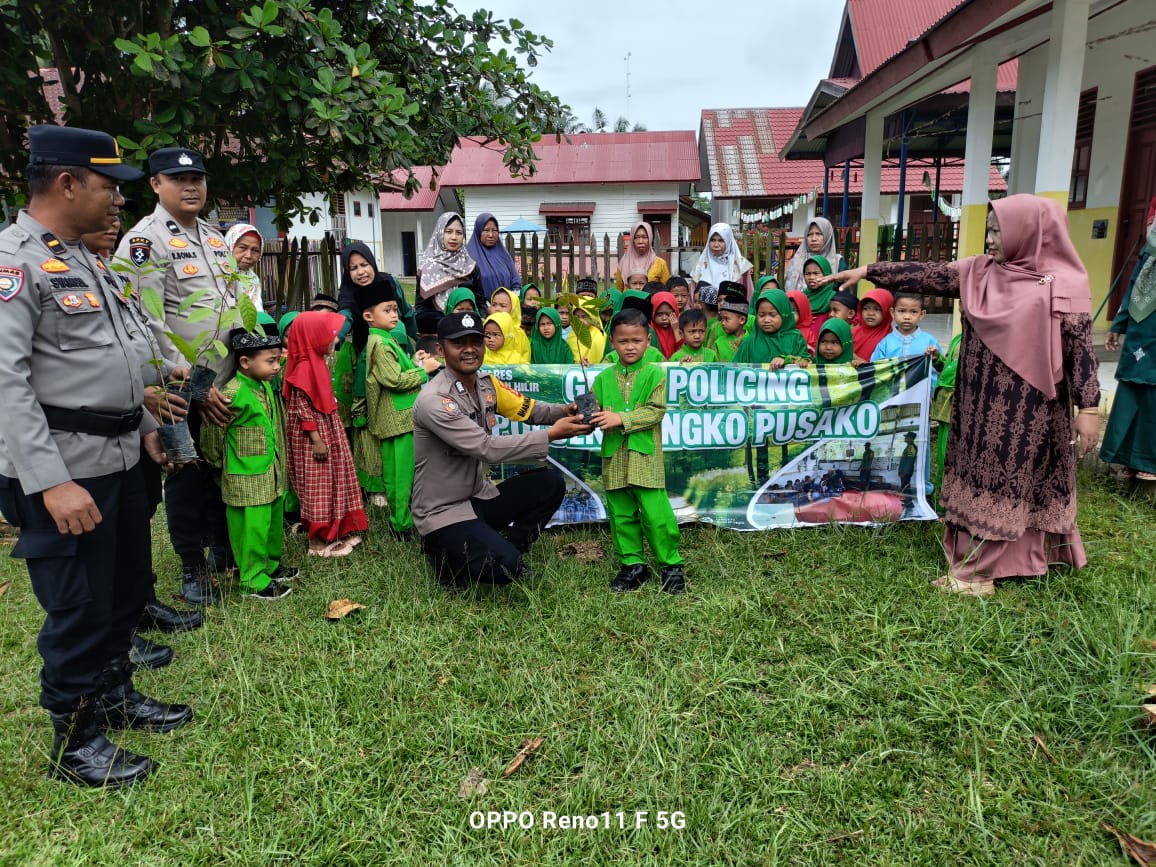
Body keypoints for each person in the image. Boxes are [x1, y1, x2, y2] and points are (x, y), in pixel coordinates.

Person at [0, 126, 193, 787]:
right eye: (109, 186)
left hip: (113, 458)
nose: (118, 200)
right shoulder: (15, 261)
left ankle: (115, 695)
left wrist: (142, 423)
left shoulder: (81, 257)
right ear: (67, 183)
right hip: (65, 469)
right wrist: (50, 483)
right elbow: (7, 382)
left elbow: (106, 363)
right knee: (79, 605)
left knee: (120, 593)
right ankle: (75, 742)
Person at [826, 194, 1101, 596]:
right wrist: (869, 271)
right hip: (977, 404)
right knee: (977, 476)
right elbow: (926, 273)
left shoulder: (1063, 285)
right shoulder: (979, 273)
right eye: (989, 230)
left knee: (1010, 482)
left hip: (1030, 411)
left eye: (998, 231)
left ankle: (981, 574)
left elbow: (1080, 350)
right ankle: (985, 557)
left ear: (1029, 233)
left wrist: (1089, 405)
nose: (989, 239)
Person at [117, 146, 241, 606]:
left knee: (222, 467)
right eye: (177, 178)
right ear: (155, 184)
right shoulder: (143, 242)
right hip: (178, 389)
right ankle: (192, 566)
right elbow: (146, 325)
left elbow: (232, 307)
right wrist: (197, 387)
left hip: (227, 379)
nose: (191, 187)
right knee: (186, 473)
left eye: (198, 179)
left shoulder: (213, 236)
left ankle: (224, 551)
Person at [83, 218, 201, 664]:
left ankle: (140, 604)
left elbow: (137, 343)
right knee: (103, 544)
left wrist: (149, 410)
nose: (114, 216)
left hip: (138, 420)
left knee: (138, 517)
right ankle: (118, 635)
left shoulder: (109, 275)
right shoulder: (43, 270)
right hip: (92, 435)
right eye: (107, 200)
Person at [411, 312, 591, 589]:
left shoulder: (486, 384)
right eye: (459, 343)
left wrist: (563, 412)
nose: (470, 349)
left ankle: (511, 548)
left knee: (550, 484)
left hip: (476, 497)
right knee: (505, 569)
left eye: (476, 341)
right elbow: (487, 449)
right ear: (441, 349)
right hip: (442, 510)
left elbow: (528, 409)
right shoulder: (435, 400)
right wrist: (552, 434)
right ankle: (444, 554)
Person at [591, 308, 685, 594]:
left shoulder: (655, 374)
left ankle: (671, 565)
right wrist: (585, 413)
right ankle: (632, 565)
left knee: (656, 514)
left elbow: (656, 412)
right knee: (621, 514)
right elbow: (595, 411)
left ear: (648, 341)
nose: (629, 347)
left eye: (636, 340)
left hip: (645, 457)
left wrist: (621, 418)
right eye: (622, 341)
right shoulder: (603, 379)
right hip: (614, 456)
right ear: (612, 343)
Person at [200, 330, 294, 599]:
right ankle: (253, 579)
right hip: (244, 475)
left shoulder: (263, 385)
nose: (277, 367)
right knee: (251, 527)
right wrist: (217, 464)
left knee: (271, 521)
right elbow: (213, 432)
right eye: (270, 361)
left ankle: (271, 565)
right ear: (244, 362)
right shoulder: (231, 393)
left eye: (278, 360)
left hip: (270, 470)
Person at [356, 279, 439, 537]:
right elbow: (393, 380)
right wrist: (424, 372)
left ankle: (401, 519)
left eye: (395, 309)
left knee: (398, 474)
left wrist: (413, 362)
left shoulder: (386, 340)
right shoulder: (380, 344)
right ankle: (401, 525)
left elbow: (396, 370)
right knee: (400, 476)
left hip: (397, 417)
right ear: (369, 316)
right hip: (398, 420)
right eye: (387, 310)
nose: (394, 314)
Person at [283, 311, 368, 556]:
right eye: (329, 336)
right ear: (313, 338)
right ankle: (318, 542)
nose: (335, 341)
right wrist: (316, 439)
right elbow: (301, 408)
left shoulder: (317, 362)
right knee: (317, 482)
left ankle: (337, 528)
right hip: (314, 436)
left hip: (326, 428)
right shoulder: (304, 368)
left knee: (332, 477)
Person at [1101, 198, 1156, 486]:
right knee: (1132, 391)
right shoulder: (1148, 254)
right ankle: (1127, 457)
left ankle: (1149, 460)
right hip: (1140, 334)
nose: (1150, 224)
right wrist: (1118, 325)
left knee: (1153, 397)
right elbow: (1133, 288)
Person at [415, 213, 483, 335]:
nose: (454, 237)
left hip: (468, 330)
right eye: (449, 231)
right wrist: (448, 322)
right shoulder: (426, 267)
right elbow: (421, 310)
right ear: (440, 233)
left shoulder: (470, 267)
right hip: (438, 333)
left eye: (459, 233)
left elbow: (480, 302)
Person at [733, 288, 812, 369]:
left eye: (772, 315)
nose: (766, 320)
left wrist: (786, 359)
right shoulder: (750, 342)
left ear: (784, 314)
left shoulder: (795, 338)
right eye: (761, 315)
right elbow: (735, 370)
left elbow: (806, 362)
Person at [870, 290, 942, 377]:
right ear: (893, 313)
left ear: (922, 314)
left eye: (914, 312)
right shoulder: (885, 343)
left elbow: (941, 368)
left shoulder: (930, 342)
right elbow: (875, 370)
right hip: (894, 390)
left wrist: (936, 359)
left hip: (923, 390)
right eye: (902, 311)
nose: (907, 317)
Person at [467, 213, 521, 302]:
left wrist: (511, 300)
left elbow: (515, 279)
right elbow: (469, 288)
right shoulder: (469, 257)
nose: (491, 235)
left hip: (506, 309)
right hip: (482, 310)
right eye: (486, 230)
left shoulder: (504, 254)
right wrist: (486, 306)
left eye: (494, 230)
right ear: (478, 231)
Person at [784, 217, 845, 294]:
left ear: (827, 235)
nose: (813, 239)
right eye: (809, 234)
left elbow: (843, 293)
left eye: (818, 234)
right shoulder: (796, 261)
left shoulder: (837, 262)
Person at [691, 222, 754, 297]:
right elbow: (692, 297)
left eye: (721, 240)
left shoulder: (740, 265)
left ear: (728, 241)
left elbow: (749, 295)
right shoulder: (701, 265)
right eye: (713, 240)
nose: (716, 245)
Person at [615, 222, 671, 290]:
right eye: (636, 237)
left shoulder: (660, 263)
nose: (640, 241)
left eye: (644, 237)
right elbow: (619, 290)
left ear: (650, 239)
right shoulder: (623, 263)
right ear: (632, 239)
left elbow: (666, 290)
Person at [224, 223, 264, 308]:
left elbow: (256, 308)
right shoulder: (220, 274)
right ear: (229, 245)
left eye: (255, 250)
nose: (248, 255)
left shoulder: (253, 278)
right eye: (243, 247)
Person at [852, 288, 894, 364]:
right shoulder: (852, 332)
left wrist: (853, 356)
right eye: (865, 308)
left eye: (877, 309)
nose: (870, 313)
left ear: (888, 312)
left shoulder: (891, 338)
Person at [800, 255, 835, 346]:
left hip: (827, 343)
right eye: (808, 274)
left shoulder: (833, 297)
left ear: (826, 274)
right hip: (804, 343)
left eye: (816, 273)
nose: (811, 277)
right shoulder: (801, 297)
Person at [712, 283, 749, 361]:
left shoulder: (751, 342)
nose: (723, 323)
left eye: (726, 319)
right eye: (722, 319)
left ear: (742, 320)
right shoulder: (719, 343)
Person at [567, 300, 608, 365]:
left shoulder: (600, 336)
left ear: (592, 317)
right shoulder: (572, 335)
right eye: (577, 317)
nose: (580, 320)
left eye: (584, 317)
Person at [649, 290, 683, 359]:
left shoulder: (681, 327)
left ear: (675, 312)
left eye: (668, 314)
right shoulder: (649, 330)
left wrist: (676, 330)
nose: (664, 318)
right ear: (653, 313)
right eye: (659, 314)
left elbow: (684, 352)